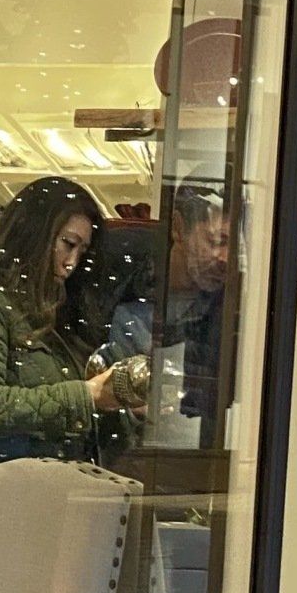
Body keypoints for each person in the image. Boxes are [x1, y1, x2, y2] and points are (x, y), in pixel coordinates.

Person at [0, 175, 147, 479]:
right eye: (68, 244)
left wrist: (122, 406)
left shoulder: (57, 311)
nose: (71, 263)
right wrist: (88, 396)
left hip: (37, 495)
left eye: (82, 252)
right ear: (34, 235)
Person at [106, 183, 231, 440]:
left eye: (236, 246)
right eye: (216, 241)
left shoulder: (233, 312)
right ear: (178, 227)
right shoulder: (121, 287)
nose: (225, 258)